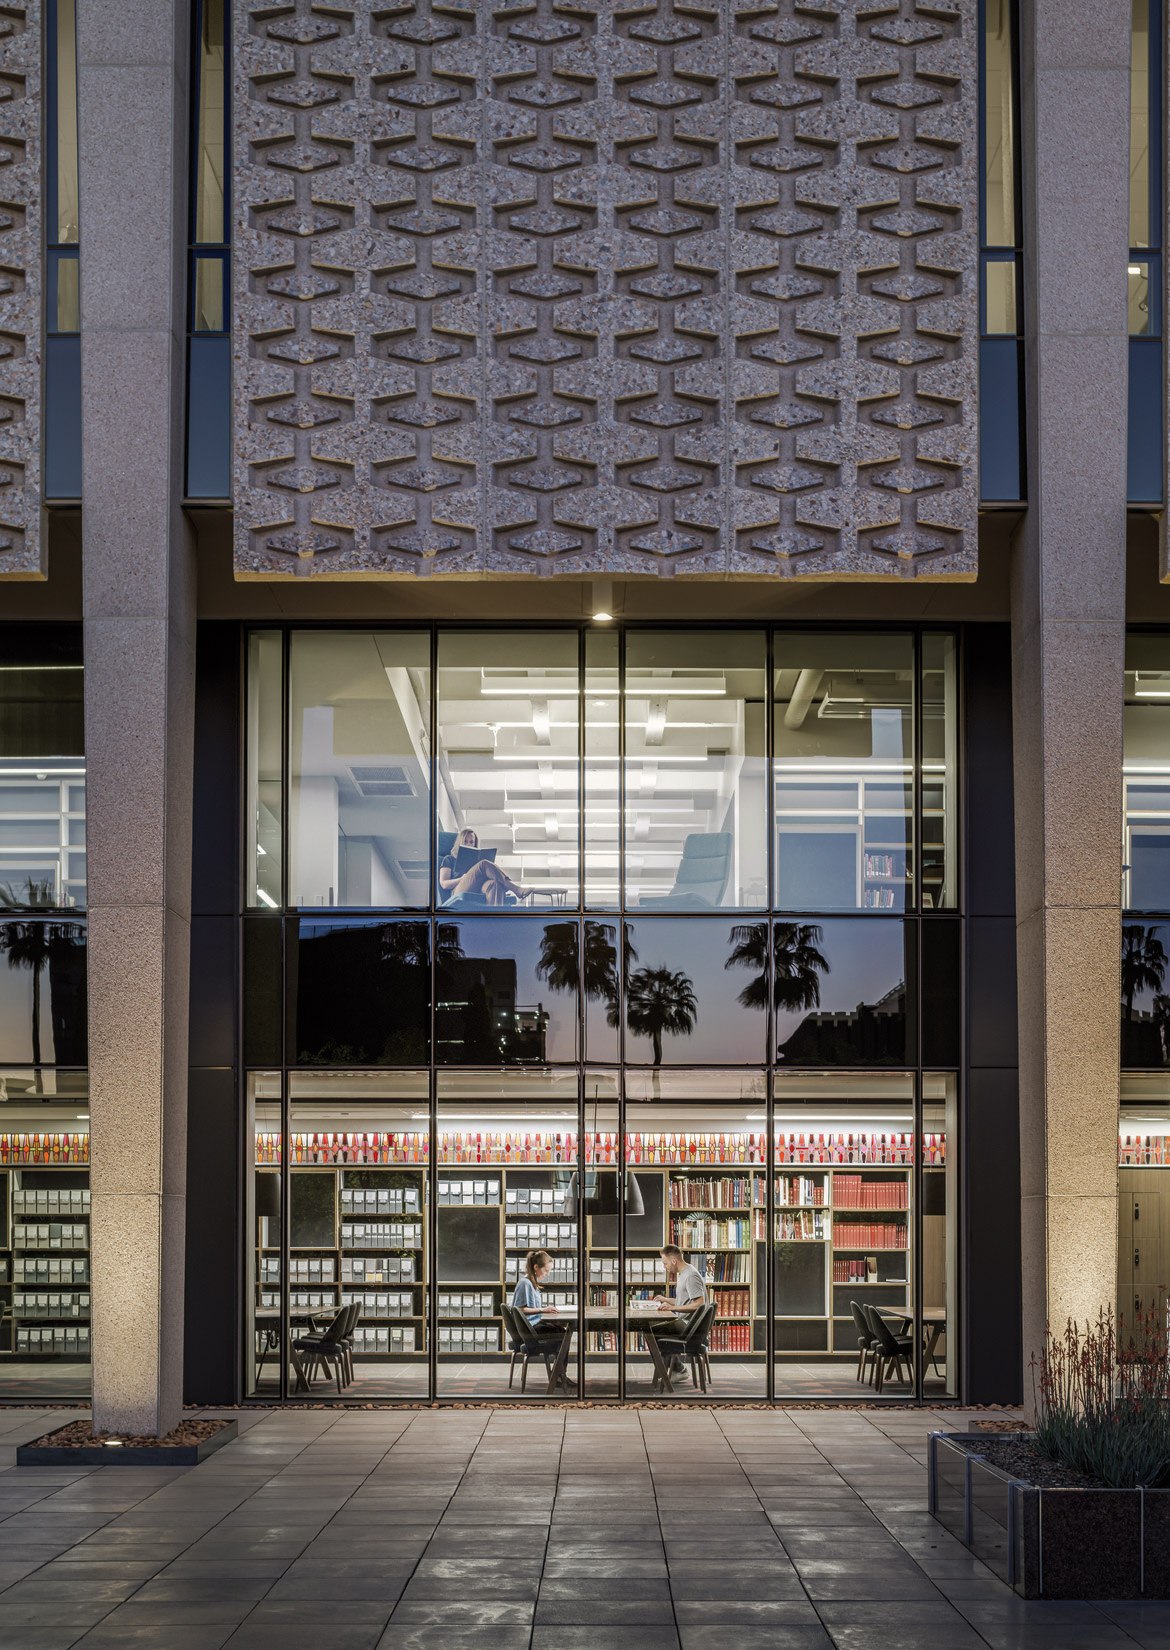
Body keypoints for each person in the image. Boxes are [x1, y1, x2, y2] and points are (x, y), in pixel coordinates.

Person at [511, 1248, 574, 1390]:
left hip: (533, 1324)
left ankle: (559, 1374)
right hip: (530, 1330)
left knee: (561, 1330)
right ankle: (559, 1375)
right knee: (565, 1335)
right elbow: (519, 1309)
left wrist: (544, 1312)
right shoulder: (525, 1283)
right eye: (546, 1270)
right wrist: (542, 1310)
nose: (547, 1274)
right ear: (536, 1267)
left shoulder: (531, 1283)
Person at [649, 1243, 709, 1385]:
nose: (665, 1267)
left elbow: (699, 1304)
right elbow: (685, 1300)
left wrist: (673, 1307)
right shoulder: (684, 1273)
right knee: (652, 1329)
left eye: (666, 1264)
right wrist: (666, 1300)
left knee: (652, 1330)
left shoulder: (690, 1276)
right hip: (686, 1322)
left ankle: (677, 1369)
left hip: (690, 1326)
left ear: (674, 1261)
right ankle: (671, 1369)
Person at [439, 827, 533, 907]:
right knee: (483, 864)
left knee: (494, 884)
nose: (468, 844)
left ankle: (494, 924)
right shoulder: (449, 859)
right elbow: (444, 884)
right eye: (465, 842)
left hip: (479, 887)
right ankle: (516, 889)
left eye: (471, 842)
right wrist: (462, 878)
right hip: (458, 889)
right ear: (459, 843)